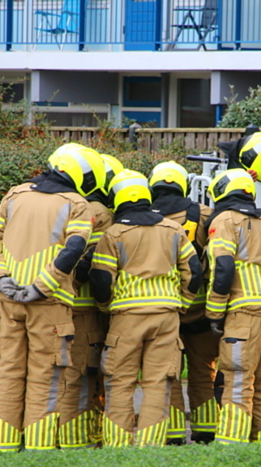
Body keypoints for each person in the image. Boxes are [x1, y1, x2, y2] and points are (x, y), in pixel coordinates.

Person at [0, 144, 106, 452]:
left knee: (7, 374)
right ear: (83, 176)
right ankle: (39, 451)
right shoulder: (77, 204)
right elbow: (74, 248)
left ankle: (2, 447)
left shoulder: (14, 195)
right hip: (49, 307)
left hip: (5, 303)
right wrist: (42, 287)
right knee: (46, 378)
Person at [89, 169, 203, 447]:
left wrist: (106, 307)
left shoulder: (114, 234)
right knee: (159, 383)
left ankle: (118, 445)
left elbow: (102, 279)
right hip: (166, 317)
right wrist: (182, 304)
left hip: (126, 318)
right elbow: (195, 272)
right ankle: (151, 447)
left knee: (120, 381)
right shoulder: (173, 230)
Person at [205, 169, 261, 444]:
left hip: (244, 312)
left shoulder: (224, 220)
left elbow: (223, 267)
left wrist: (214, 312)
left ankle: (231, 447)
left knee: (238, 381)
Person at [57, 152, 123, 449]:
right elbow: (92, 264)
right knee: (83, 374)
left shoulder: (63, 203)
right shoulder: (98, 212)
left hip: (54, 302)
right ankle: (77, 441)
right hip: (84, 309)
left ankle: (60, 436)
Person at [148, 161, 217, 445]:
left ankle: (173, 434)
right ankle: (206, 431)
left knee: (168, 375)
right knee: (203, 373)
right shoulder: (205, 215)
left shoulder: (143, 217)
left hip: (164, 311)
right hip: (201, 313)